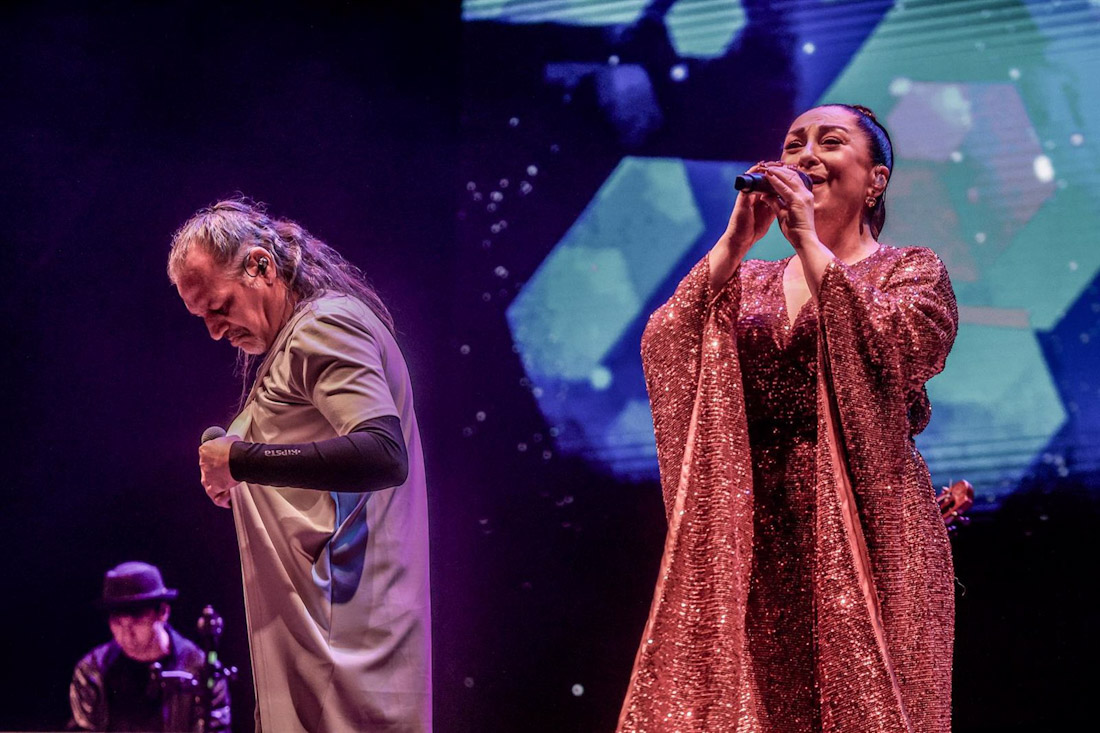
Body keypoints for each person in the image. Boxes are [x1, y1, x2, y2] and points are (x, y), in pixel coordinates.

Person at [618, 105, 958, 732]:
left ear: (876, 180)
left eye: (829, 142)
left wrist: (806, 237)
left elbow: (895, 347)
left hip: (871, 525)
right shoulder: (748, 278)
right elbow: (668, 341)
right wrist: (734, 241)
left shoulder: (911, 271)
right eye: (793, 143)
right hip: (763, 529)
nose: (804, 155)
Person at [167, 199, 431, 731]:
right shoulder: (292, 343)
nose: (215, 332)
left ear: (260, 266)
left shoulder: (325, 326)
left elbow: (381, 452)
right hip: (323, 649)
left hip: (348, 655)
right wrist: (229, 449)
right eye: (203, 319)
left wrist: (241, 459)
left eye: (220, 307)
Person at [69, 561, 231, 732]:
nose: (126, 633)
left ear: (163, 612)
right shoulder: (91, 671)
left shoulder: (202, 671)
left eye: (137, 621)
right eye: (117, 623)